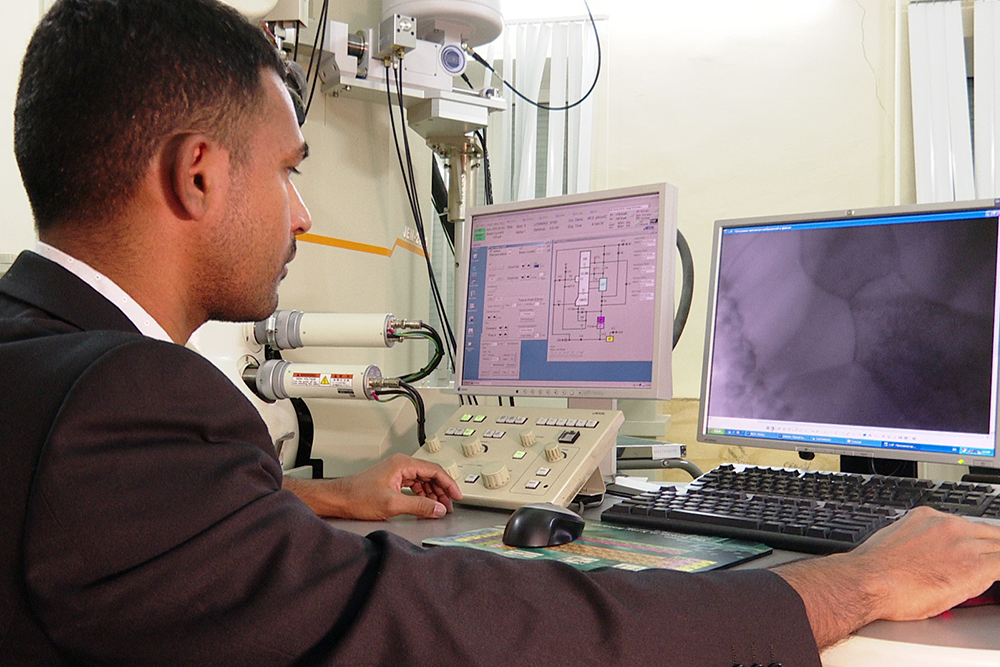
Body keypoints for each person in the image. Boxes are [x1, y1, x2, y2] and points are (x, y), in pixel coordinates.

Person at [2, 1, 1000, 665]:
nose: (303, 213)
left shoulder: (40, 364)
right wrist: (848, 582)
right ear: (199, 174)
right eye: (289, 170)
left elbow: (151, 528)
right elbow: (440, 625)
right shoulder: (124, 400)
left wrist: (319, 495)